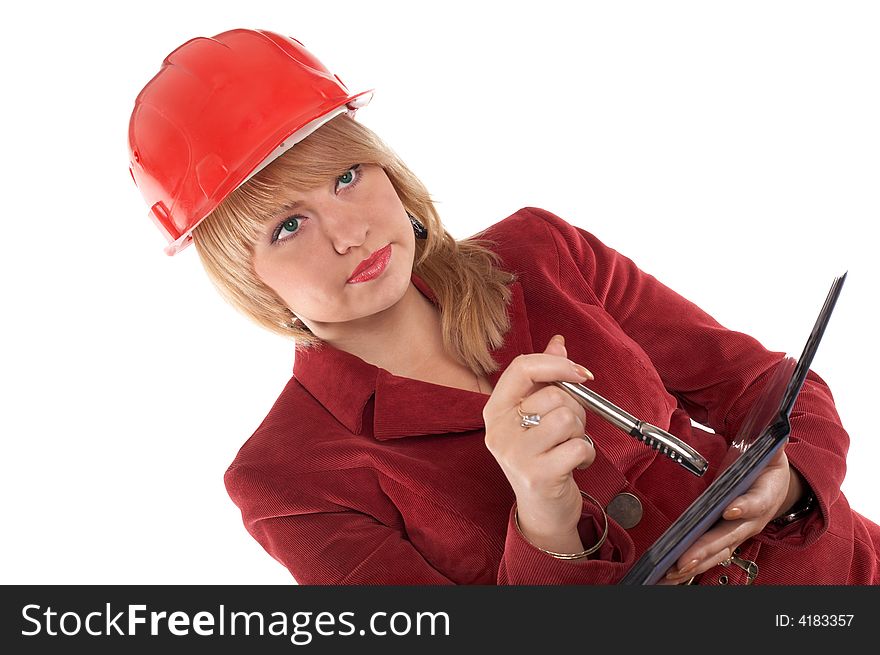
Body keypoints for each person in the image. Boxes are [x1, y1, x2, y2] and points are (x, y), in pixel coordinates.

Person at [128, 28, 880, 585]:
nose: (350, 231)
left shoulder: (538, 250)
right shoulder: (284, 479)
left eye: (349, 175)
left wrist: (787, 479)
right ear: (248, 277)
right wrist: (544, 519)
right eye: (288, 226)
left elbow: (766, 386)